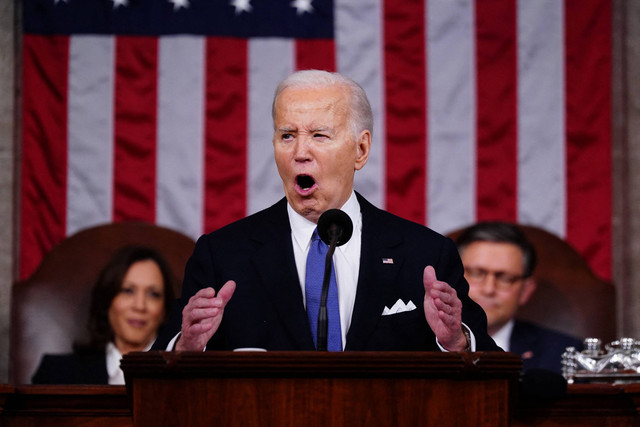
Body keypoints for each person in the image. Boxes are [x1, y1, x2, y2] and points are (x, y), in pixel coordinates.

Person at [153, 69, 500, 353]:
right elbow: (158, 369)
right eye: (287, 135)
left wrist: (456, 341)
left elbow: (492, 366)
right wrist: (186, 348)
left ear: (361, 149)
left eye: (319, 135)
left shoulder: (424, 254)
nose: (300, 152)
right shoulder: (223, 255)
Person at [32, 245, 175, 384]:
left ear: (164, 310)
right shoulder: (56, 374)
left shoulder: (181, 377)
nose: (140, 306)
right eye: (128, 291)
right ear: (107, 301)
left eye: (153, 294)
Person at [455, 221, 583, 374]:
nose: (489, 289)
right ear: (453, 279)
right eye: (477, 273)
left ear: (525, 291)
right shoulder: (420, 344)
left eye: (505, 278)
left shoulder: (563, 355)